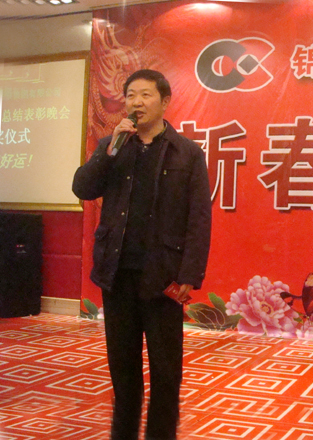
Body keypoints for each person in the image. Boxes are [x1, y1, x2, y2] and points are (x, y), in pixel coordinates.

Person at [72, 69, 212, 440]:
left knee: (166, 370)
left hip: (163, 277)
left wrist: (189, 274)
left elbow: (199, 218)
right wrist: (109, 151)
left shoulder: (187, 153)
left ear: (165, 102)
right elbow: (83, 188)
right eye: (131, 95)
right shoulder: (113, 145)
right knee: (122, 368)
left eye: (145, 95)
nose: (136, 102)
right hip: (117, 274)